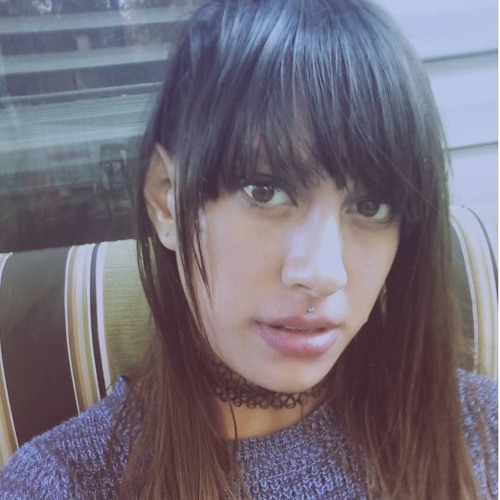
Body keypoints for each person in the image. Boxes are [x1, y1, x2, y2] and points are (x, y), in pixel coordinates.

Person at [0, 0, 497, 498]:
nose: (322, 274)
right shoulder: (61, 483)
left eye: (371, 206)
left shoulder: (480, 431)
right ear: (168, 202)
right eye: (265, 191)